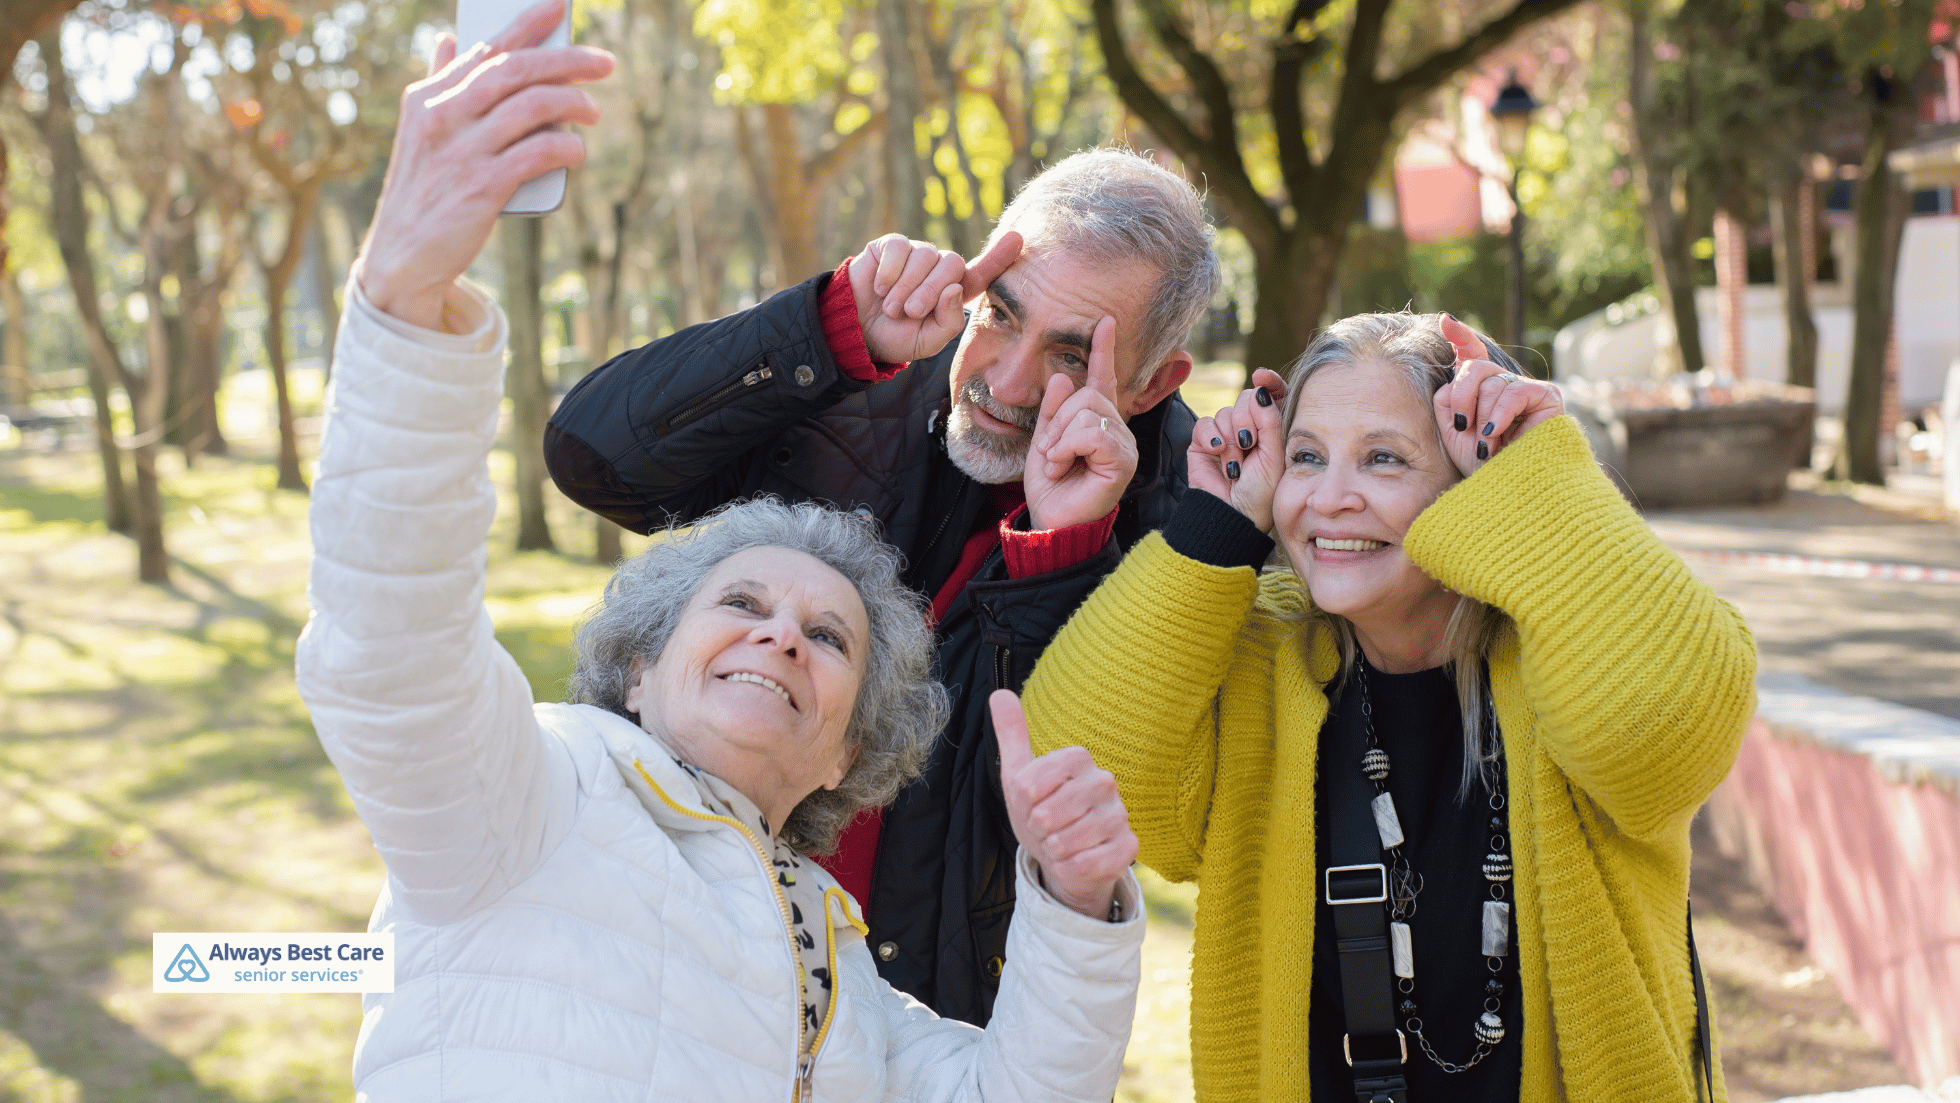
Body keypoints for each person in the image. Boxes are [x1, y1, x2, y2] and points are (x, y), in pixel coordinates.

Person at [298, 4, 1147, 1098]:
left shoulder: (837, 967)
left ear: (849, 751)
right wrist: (406, 303)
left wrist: (1076, 907)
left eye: (829, 636)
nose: (782, 634)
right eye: (740, 601)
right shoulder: (529, 799)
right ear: (639, 668)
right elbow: (389, 651)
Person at [545, 132, 1220, 1021]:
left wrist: (1063, 548)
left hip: (913, 1024)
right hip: (683, 957)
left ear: (1151, 383)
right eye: (1002, 313)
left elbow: (1045, 806)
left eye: (1069, 354)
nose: (1005, 382)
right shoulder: (860, 375)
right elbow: (593, 459)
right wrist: (828, 327)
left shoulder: (1186, 521)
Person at [1020, 312, 1759, 1101]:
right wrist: (1216, 528)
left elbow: (1663, 734)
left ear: (1473, 478)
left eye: (1383, 458)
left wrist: (1539, 475)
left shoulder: (1572, 647)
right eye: (1306, 457)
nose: (1331, 498)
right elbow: (1074, 766)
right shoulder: (1261, 658)